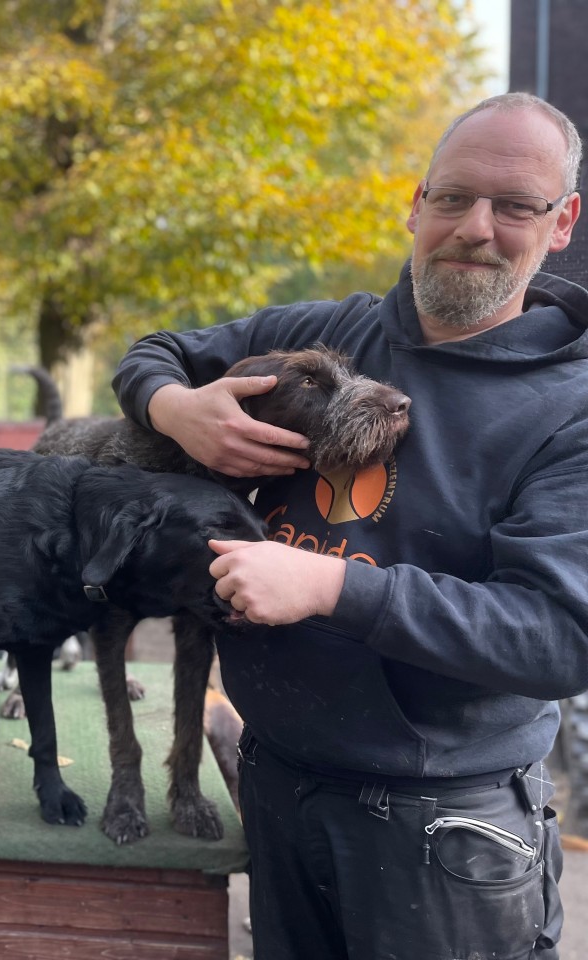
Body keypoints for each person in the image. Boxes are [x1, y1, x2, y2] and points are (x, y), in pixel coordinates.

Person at [113, 92, 587, 959]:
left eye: (516, 206)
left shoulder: (570, 408)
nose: (476, 228)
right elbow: (155, 353)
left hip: (444, 831)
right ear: (416, 203)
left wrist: (333, 586)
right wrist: (179, 410)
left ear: (561, 224)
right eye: (452, 198)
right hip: (277, 781)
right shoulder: (329, 333)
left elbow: (558, 637)